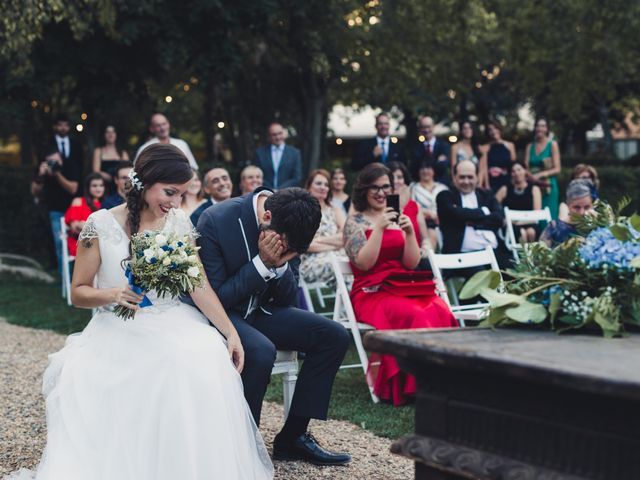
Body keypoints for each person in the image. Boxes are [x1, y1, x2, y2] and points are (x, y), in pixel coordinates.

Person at [9, 144, 274, 479]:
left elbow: (198, 284)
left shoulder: (177, 221)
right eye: (169, 192)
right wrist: (113, 293)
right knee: (163, 364)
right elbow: (78, 293)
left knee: (203, 353)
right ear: (144, 183)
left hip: (172, 318)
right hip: (117, 326)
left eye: (181, 194)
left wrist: (230, 331)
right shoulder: (99, 224)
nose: (175, 203)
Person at [190, 187, 352, 466]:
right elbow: (217, 296)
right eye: (286, 247)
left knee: (334, 335)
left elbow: (287, 298)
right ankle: (243, 442)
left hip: (264, 312)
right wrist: (262, 264)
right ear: (266, 216)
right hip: (222, 315)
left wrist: (279, 267)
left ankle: (293, 437)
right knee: (261, 351)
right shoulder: (216, 220)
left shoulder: (296, 221)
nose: (288, 252)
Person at [343, 163, 457, 405]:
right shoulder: (355, 222)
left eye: (385, 187)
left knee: (439, 307)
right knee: (416, 315)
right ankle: (417, 383)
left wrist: (409, 234)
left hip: (405, 285)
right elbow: (363, 263)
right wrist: (380, 229)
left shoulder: (400, 215)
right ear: (363, 190)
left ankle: (444, 378)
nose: (381, 192)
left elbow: (412, 262)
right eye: (374, 187)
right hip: (372, 292)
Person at [30, 113, 84, 274]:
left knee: (80, 242)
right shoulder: (45, 160)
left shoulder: (71, 162)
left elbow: (73, 187)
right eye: (50, 159)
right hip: (55, 206)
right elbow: (35, 190)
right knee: (60, 243)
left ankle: (79, 276)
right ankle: (64, 279)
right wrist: (41, 174)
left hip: (73, 206)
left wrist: (57, 174)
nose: (53, 161)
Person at [436, 160, 510, 269]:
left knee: (517, 272)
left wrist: (472, 222)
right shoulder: (445, 196)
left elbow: (499, 219)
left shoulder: (487, 196)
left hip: (494, 251)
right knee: (484, 277)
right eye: (462, 177)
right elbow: (454, 214)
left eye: (470, 177)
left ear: (477, 178)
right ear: (454, 178)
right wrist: (483, 211)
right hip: (463, 257)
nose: (466, 181)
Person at [299, 170, 346, 286]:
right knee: (337, 266)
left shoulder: (336, 210)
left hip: (338, 255)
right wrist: (334, 244)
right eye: (319, 184)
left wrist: (319, 240)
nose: (323, 187)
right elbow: (305, 245)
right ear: (309, 186)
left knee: (355, 264)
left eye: (326, 185)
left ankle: (349, 301)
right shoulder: (302, 211)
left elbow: (345, 237)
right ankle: (351, 302)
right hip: (312, 261)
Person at [388, 161, 430, 256]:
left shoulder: (415, 206)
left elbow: (425, 238)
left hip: (417, 257)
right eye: (391, 177)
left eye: (399, 177)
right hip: (394, 257)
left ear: (405, 180)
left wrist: (425, 248)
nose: (395, 181)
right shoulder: (381, 207)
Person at [495, 161, 542, 243]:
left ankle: (531, 255)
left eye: (519, 169)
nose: (516, 173)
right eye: (513, 171)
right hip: (511, 225)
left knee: (531, 232)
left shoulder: (534, 189)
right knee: (522, 233)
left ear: (525, 171)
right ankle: (521, 255)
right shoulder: (505, 189)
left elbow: (536, 214)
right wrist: (503, 219)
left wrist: (520, 222)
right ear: (511, 174)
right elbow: (493, 205)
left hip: (529, 222)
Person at [525, 117, 561, 219]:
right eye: (538, 126)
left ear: (547, 129)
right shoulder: (530, 146)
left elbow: (557, 168)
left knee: (549, 216)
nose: (540, 128)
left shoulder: (552, 145)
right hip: (533, 184)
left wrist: (540, 175)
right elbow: (526, 167)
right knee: (534, 216)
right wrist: (531, 176)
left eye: (543, 126)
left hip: (548, 185)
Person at [540, 179, 594, 247]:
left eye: (587, 207)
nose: (582, 212)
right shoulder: (554, 228)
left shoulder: (598, 229)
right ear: (568, 205)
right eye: (577, 207)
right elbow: (540, 256)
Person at [134, 113, 198, 169]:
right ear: (152, 129)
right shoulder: (145, 148)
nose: (162, 128)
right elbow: (135, 170)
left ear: (169, 124)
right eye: (158, 125)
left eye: (164, 124)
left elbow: (193, 167)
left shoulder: (182, 144)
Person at [64, 173, 105, 256]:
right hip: (81, 242)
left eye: (101, 185)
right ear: (88, 187)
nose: (98, 189)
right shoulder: (79, 201)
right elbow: (74, 227)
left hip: (101, 242)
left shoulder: (106, 204)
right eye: (94, 186)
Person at [252, 122, 302, 189]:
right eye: (274, 135)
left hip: (287, 193)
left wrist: (279, 190)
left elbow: (296, 177)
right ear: (269, 136)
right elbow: (256, 175)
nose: (278, 137)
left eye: (280, 133)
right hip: (265, 192)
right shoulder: (260, 153)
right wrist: (270, 189)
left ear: (284, 133)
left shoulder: (295, 153)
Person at [411, 161, 448, 250]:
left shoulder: (443, 187)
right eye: (422, 168)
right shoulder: (413, 188)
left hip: (443, 223)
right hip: (424, 224)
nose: (425, 171)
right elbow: (412, 207)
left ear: (434, 171)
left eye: (428, 168)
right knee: (431, 234)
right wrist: (428, 214)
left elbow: (449, 207)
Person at [409, 115, 450, 184]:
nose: (426, 130)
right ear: (419, 129)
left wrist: (423, 164)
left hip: (441, 183)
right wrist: (436, 161)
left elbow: (444, 167)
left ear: (433, 126)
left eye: (428, 126)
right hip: (422, 185)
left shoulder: (444, 146)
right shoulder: (415, 148)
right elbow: (414, 168)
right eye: (423, 127)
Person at [482, 120, 516, 193]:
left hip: (506, 180)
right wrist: (487, 185)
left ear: (500, 129)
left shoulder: (510, 145)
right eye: (490, 129)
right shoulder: (485, 147)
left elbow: (513, 166)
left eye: (495, 128)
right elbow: (484, 168)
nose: (493, 131)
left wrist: (514, 182)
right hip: (492, 181)